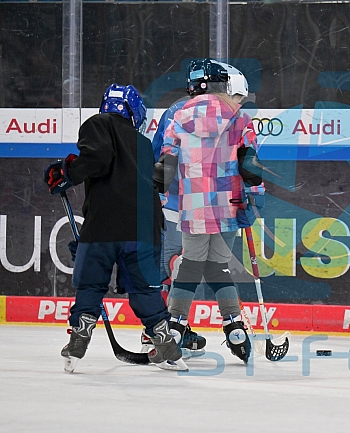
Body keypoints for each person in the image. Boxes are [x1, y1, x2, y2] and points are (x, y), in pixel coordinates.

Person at [43, 83, 187, 372]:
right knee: (144, 288)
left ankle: (78, 342)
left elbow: (96, 158)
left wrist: (66, 174)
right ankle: (168, 347)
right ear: (134, 111)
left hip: (104, 227)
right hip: (145, 230)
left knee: (91, 284)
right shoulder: (143, 143)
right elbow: (155, 184)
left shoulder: (98, 123)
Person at [156, 59, 263, 364]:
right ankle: (234, 326)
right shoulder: (240, 119)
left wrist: (160, 194)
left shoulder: (179, 115)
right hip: (228, 205)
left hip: (192, 206)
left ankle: (175, 326)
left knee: (190, 265)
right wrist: (254, 201)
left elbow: (167, 162)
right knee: (219, 266)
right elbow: (249, 166)